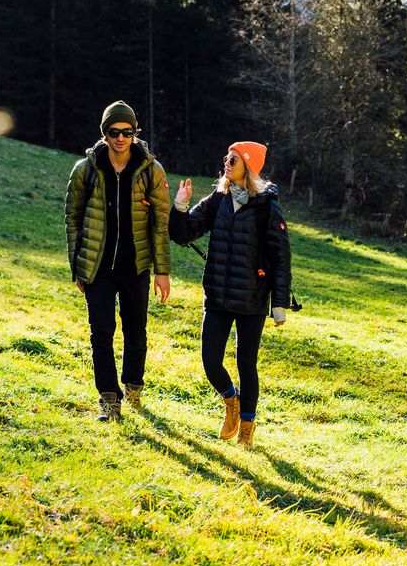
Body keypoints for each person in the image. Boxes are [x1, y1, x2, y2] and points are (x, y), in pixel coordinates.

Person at [170, 141, 291, 449]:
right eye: (226, 157)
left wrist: (279, 303)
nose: (227, 162)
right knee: (210, 360)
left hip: (251, 300)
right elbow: (184, 234)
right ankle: (231, 401)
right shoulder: (217, 199)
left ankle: (247, 427)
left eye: (233, 159)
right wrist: (180, 206)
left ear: (247, 167)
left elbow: (280, 256)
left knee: (245, 363)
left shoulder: (266, 207)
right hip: (218, 297)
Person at [65, 101, 171, 422]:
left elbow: (160, 223)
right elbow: (73, 219)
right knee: (101, 333)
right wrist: (77, 266)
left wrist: (162, 271)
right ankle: (109, 399)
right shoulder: (86, 170)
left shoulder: (151, 170)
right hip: (97, 268)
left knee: (135, 331)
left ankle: (134, 386)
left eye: (128, 132)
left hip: (135, 266)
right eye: (115, 132)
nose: (121, 138)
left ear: (135, 134)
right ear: (105, 133)